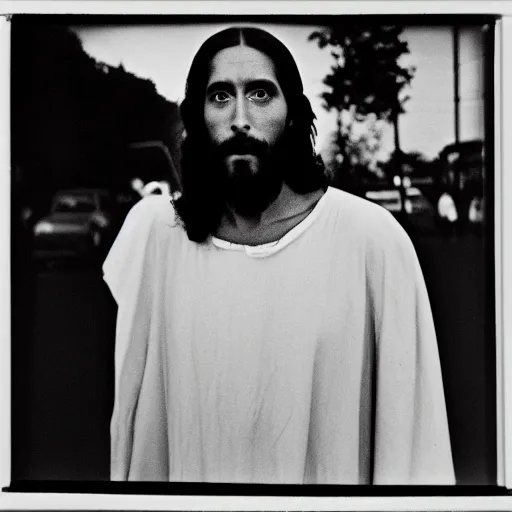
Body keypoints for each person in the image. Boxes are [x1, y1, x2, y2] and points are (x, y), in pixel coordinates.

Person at [103, 26, 455, 485]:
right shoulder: (159, 239)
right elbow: (136, 430)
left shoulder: (371, 241)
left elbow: (411, 445)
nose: (240, 118)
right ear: (197, 118)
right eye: (220, 96)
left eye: (262, 94)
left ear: (292, 115)